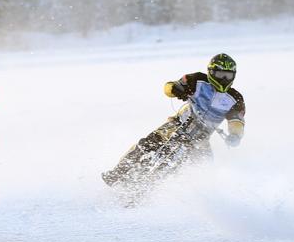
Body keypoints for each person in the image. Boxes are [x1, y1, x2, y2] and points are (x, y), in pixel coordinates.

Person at [102, 53, 246, 186]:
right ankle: (116, 173)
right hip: (178, 123)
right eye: (221, 74)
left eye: (228, 75)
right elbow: (168, 87)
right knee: (146, 144)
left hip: (202, 138)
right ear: (211, 72)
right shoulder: (196, 79)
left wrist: (235, 135)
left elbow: (237, 121)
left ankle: (166, 192)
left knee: (205, 169)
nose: (224, 79)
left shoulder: (235, 98)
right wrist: (176, 89)